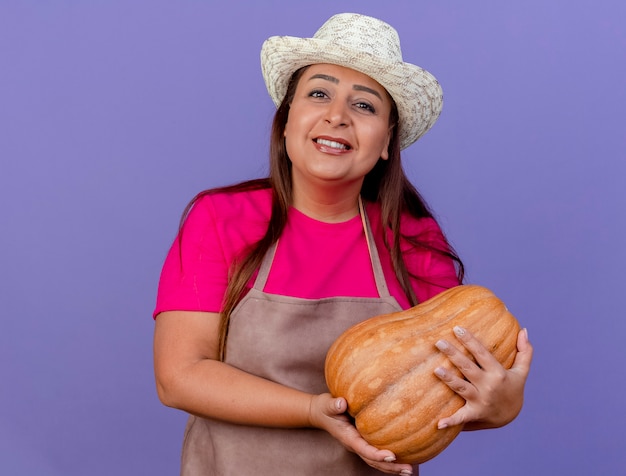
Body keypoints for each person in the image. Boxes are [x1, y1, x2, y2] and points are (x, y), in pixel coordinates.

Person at [152, 13, 533, 476]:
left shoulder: (414, 240)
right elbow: (179, 377)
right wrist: (312, 410)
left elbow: (433, 400)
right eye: (318, 93)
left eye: (365, 106)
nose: (337, 115)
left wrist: (501, 406)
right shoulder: (222, 219)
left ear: (387, 141)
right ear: (286, 119)